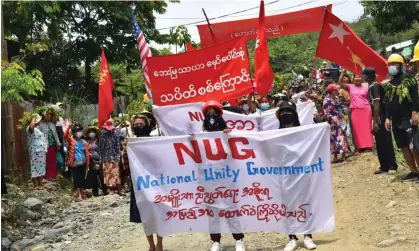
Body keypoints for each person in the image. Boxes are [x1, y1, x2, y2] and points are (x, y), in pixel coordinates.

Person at [199, 101, 245, 251]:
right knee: (213, 212)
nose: (211, 116)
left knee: (231, 209)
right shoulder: (200, 136)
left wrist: (229, 134)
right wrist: (191, 139)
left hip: (227, 179)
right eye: (208, 113)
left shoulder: (228, 134)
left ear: (219, 115)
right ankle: (215, 241)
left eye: (214, 112)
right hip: (209, 180)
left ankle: (239, 240)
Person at [275, 102, 316, 251]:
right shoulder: (274, 134)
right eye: (283, 112)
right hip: (285, 175)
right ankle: (292, 238)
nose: (286, 114)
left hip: (302, 174)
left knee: (304, 204)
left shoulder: (302, 131)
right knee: (288, 206)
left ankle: (308, 236)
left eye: (289, 111)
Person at [126, 114, 164, 251]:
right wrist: (125, 149)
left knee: (158, 213)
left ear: (147, 125)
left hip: (155, 183)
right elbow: (126, 163)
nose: (138, 126)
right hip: (139, 183)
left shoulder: (156, 141)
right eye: (136, 124)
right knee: (144, 214)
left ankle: (160, 243)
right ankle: (151, 245)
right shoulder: (130, 143)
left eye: (141, 124)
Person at [385, 54, 419, 182]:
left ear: (401, 65)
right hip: (396, 121)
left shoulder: (410, 80)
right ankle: (413, 171)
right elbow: (388, 102)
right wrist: (387, 117)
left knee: (414, 146)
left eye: (395, 63)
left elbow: (415, 98)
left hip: (408, 119)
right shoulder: (389, 84)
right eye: (390, 64)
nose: (392, 66)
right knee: (403, 147)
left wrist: (415, 112)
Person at [363, 67, 398, 174]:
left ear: (367, 76)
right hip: (381, 117)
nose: (361, 76)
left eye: (363, 74)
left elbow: (376, 104)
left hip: (380, 118)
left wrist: (375, 121)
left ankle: (388, 166)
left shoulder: (373, 87)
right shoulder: (375, 85)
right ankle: (388, 165)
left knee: (383, 142)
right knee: (383, 142)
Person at [338, 70, 374, 152]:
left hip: (366, 109)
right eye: (356, 77)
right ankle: (360, 147)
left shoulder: (366, 86)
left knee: (367, 128)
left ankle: (369, 145)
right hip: (355, 110)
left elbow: (369, 98)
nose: (357, 78)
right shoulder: (350, 86)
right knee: (357, 129)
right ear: (353, 79)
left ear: (362, 79)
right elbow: (340, 83)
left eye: (359, 77)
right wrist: (343, 72)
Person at [323, 84, 349, 162]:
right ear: (331, 91)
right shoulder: (326, 100)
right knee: (333, 138)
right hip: (332, 121)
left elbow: (341, 107)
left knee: (341, 136)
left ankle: (343, 154)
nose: (337, 91)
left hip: (340, 119)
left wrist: (343, 113)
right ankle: (335, 156)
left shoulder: (337, 99)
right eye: (335, 90)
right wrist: (332, 118)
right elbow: (326, 112)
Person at [64, 122, 90, 201]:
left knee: (82, 178)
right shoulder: (72, 140)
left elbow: (87, 154)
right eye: (77, 131)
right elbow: (65, 135)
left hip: (83, 162)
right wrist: (68, 126)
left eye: (80, 131)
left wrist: (88, 164)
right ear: (74, 133)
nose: (79, 132)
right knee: (77, 178)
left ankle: (82, 193)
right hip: (75, 162)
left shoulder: (84, 142)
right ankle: (79, 194)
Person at [99, 119, 122, 194]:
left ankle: (118, 189)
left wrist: (118, 156)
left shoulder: (115, 135)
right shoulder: (102, 136)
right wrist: (101, 158)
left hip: (114, 157)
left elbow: (117, 146)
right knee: (108, 174)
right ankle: (111, 189)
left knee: (116, 173)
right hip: (106, 158)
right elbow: (101, 148)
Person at [37, 108, 62, 180]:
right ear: (43, 115)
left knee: (52, 161)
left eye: (50, 114)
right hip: (43, 146)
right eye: (47, 114)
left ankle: (53, 175)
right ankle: (45, 176)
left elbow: (55, 135)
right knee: (45, 161)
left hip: (52, 145)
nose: (48, 116)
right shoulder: (40, 124)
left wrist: (58, 144)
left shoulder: (52, 124)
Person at [85, 125, 107, 196]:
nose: (91, 133)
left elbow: (103, 149)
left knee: (101, 176)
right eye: (90, 132)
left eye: (93, 132)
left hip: (99, 160)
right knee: (93, 176)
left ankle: (105, 190)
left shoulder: (99, 140)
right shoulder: (87, 141)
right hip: (91, 161)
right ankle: (95, 192)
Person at [26, 114, 47, 189]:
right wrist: (34, 118)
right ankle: (35, 184)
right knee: (35, 166)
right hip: (35, 151)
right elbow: (31, 128)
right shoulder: (30, 128)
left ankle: (40, 182)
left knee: (41, 167)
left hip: (40, 151)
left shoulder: (37, 129)